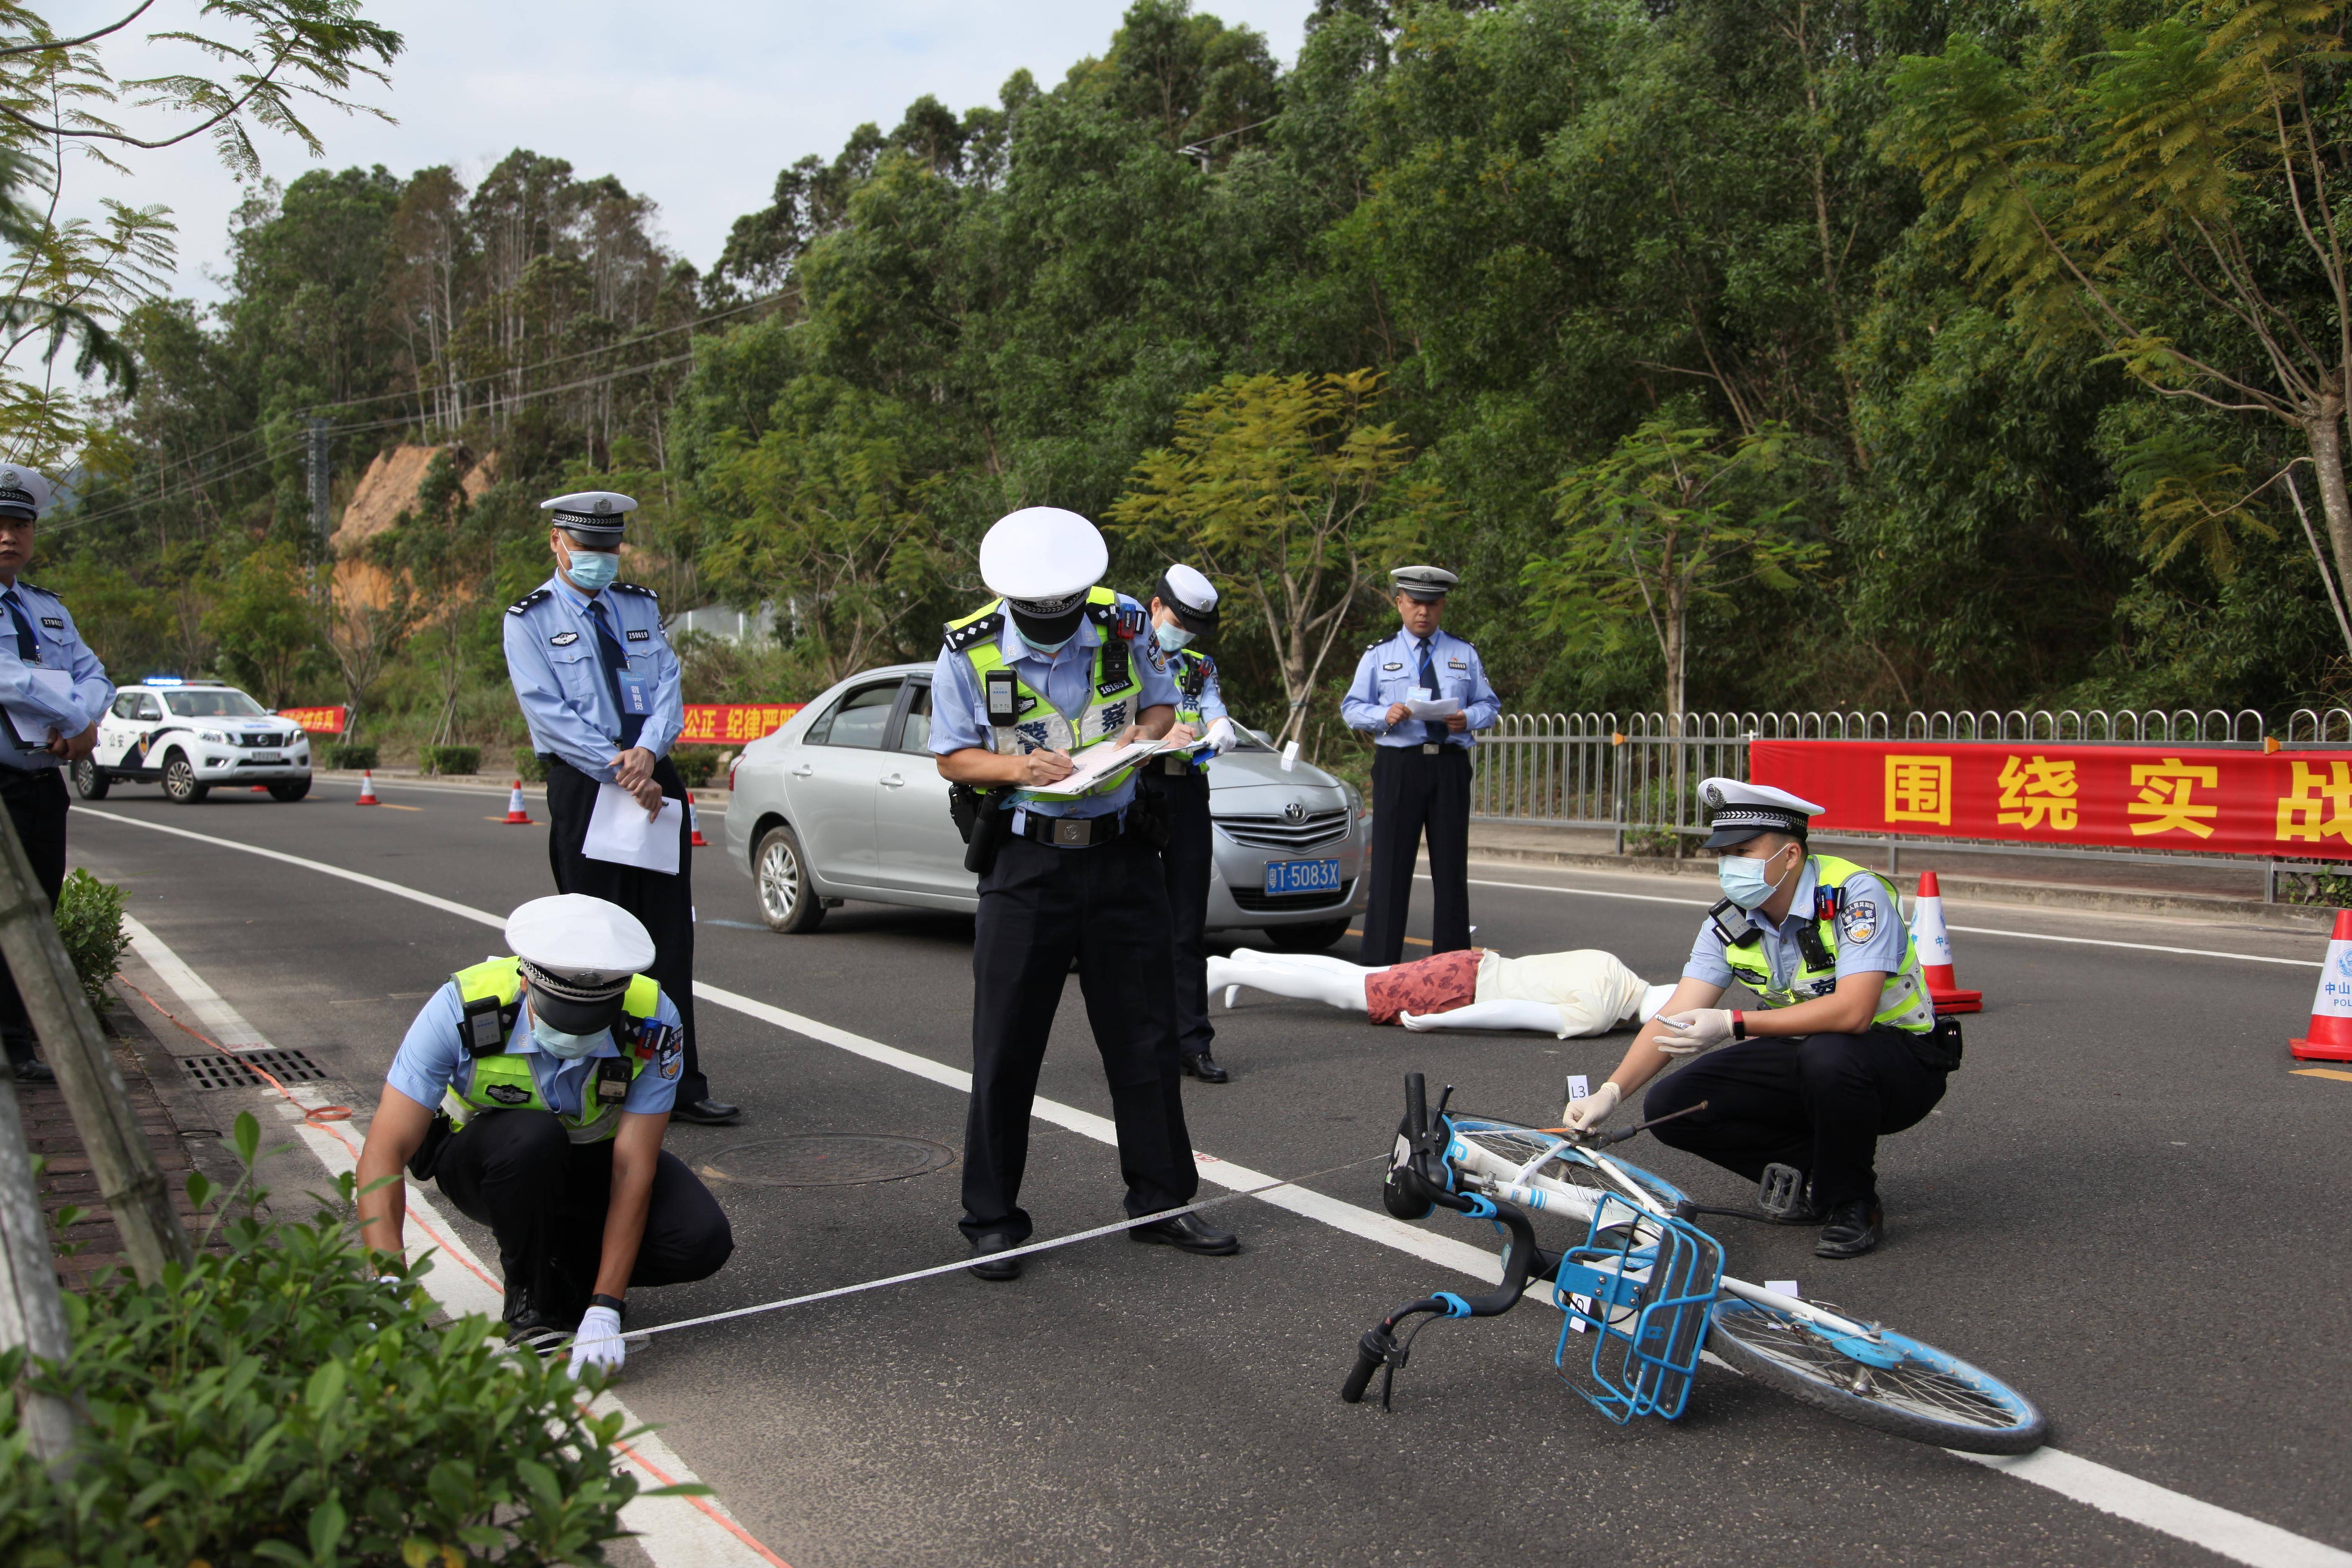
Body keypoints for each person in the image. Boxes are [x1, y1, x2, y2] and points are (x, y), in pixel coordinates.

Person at [931, 506, 1234, 1281]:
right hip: (1027, 865)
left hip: (1122, 854)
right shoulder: (968, 649)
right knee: (1007, 1047)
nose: (1059, 638)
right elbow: (953, 756)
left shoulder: (1124, 624)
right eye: (1043, 627)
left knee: (1145, 1039)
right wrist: (1015, 770)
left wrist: (1144, 735)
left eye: (1069, 619)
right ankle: (992, 1220)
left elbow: (1164, 702)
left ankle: (1161, 1203)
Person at [1559, 779, 1963, 1260]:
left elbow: (1855, 1013)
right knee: (1675, 1105)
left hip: (1902, 1063)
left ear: (1790, 856)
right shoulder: (1730, 922)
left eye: (1743, 852)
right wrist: (1611, 1093)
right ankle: (1816, 1176)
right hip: (1811, 1053)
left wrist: (1732, 1023)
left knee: (1829, 1055)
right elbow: (1673, 1018)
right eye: (1723, 854)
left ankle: (1852, 1202)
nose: (1730, 866)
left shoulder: (1855, 894)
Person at [354, 895, 734, 1376]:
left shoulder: (655, 1019)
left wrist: (605, 1305)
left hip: (589, 1162)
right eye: (562, 1017)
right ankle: (530, 1304)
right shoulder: (461, 1006)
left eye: (591, 1021)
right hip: (489, 1161)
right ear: (525, 978)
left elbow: (632, 1165)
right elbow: (384, 1151)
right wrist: (390, 1284)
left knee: (700, 1240)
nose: (575, 1039)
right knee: (534, 1137)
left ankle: (566, 1276)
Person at [504, 490, 737, 1126]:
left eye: (610, 548)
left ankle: (679, 1083)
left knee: (668, 938)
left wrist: (646, 753)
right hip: (589, 787)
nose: (601, 560)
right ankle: (593, 1085)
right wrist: (620, 765)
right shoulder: (526, 621)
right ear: (557, 542)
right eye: (588, 548)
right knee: (593, 944)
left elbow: (667, 685)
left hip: (654, 780)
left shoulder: (639, 606)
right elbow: (548, 715)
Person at [0, 467, 110, 1083]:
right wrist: (72, 714)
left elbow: (98, 677)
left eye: (19, 525)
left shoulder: (47, 609)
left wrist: (80, 727)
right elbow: (8, 677)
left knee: (37, 918)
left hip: (43, 785)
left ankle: (20, 1045)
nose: (8, 536)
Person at [1339, 565, 1499, 966]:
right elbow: (1352, 709)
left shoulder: (1464, 653)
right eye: (1415, 604)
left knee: (1450, 872)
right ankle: (1380, 969)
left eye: (1431, 604)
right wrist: (1384, 714)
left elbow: (1490, 706)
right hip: (1399, 766)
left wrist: (1469, 718)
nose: (1423, 612)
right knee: (1391, 870)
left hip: (1449, 768)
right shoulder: (1380, 655)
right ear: (1400, 604)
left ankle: (1451, 973)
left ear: (1442, 605)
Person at [1140, 563, 1240, 1083]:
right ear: (1155, 607)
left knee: (1186, 923)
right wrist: (1155, 734)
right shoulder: (1124, 655)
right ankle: (1140, 1038)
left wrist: (1219, 726)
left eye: (1193, 628)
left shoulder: (1199, 665)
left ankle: (1192, 1041)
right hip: (1136, 791)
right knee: (1134, 919)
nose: (1183, 634)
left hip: (1187, 790)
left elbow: (1212, 706)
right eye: (1178, 621)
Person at [1207, 946, 1674, 1039]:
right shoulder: (1596, 1015)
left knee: (1362, 975)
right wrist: (1439, 1020)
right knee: (1348, 993)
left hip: (1471, 961)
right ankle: (1229, 971)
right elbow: (1511, 1011)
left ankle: (1254, 960)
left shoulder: (1613, 964)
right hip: (1459, 991)